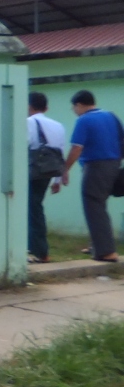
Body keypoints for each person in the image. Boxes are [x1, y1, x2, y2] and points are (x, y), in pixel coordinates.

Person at [62, 89, 121, 262]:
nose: (74, 111)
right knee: (100, 205)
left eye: (74, 107)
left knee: (94, 206)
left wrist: (65, 169)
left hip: (95, 166)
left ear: (79, 105)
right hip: (114, 164)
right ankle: (98, 246)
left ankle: (106, 251)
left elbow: (77, 148)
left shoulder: (84, 120)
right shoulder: (111, 116)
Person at [27, 91, 67, 264]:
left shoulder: (29, 122)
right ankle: (36, 249)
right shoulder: (58, 125)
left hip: (31, 170)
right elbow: (60, 153)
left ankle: (39, 251)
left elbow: (22, 145)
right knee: (35, 207)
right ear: (46, 108)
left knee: (32, 210)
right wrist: (58, 180)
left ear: (28, 106)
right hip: (48, 171)